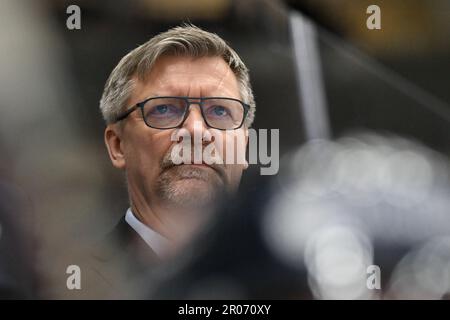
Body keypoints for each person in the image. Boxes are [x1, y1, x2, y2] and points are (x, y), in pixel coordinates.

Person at [78, 24, 256, 298]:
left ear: (244, 146)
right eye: (164, 109)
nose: (197, 131)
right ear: (117, 146)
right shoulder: (64, 284)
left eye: (220, 110)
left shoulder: (304, 278)